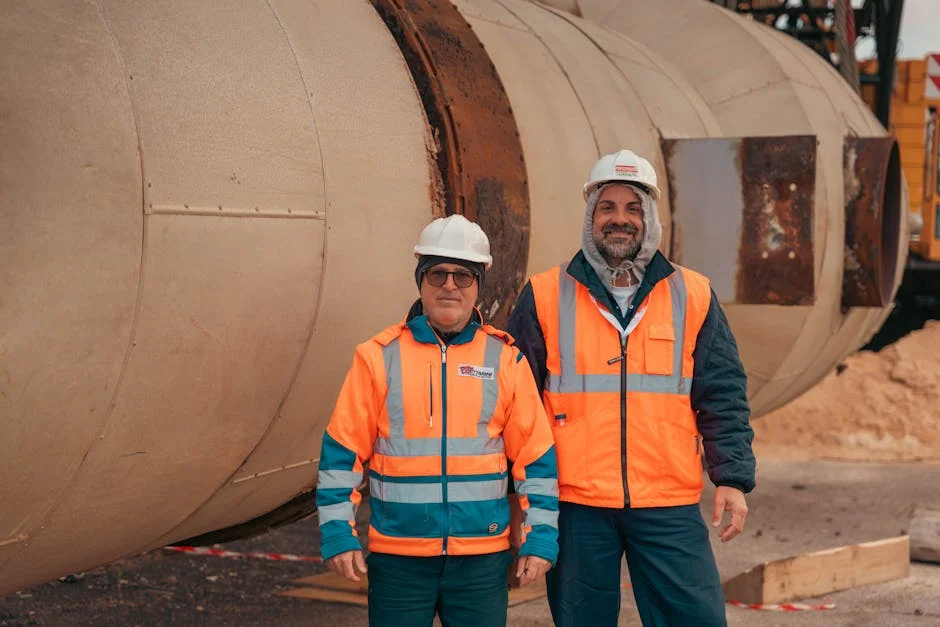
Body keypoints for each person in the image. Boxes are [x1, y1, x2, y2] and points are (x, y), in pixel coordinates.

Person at [507, 149, 756, 627]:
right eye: (608, 207)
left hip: (668, 503)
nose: (620, 220)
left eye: (633, 208)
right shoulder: (544, 293)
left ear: (650, 218)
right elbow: (514, 404)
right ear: (590, 216)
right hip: (576, 504)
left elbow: (722, 392)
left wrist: (731, 477)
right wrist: (516, 498)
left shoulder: (692, 293)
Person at [315, 214, 559, 627]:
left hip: (481, 563)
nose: (449, 285)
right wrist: (337, 532)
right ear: (420, 282)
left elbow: (536, 461)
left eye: (463, 276)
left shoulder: (506, 360)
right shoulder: (377, 357)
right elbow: (341, 455)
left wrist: (542, 537)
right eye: (437, 274)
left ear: (479, 285)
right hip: (398, 561)